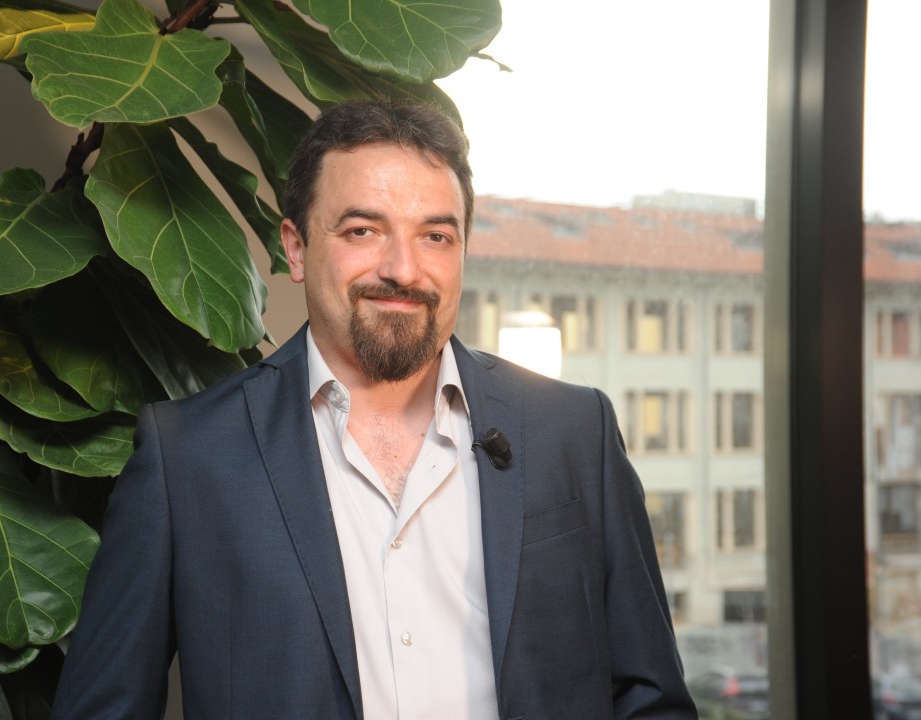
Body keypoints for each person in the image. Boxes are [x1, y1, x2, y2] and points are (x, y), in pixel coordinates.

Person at [51, 100, 696, 719]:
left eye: (435, 236)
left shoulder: (574, 433)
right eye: (363, 231)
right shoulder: (188, 458)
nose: (403, 269)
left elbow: (651, 698)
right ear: (296, 248)